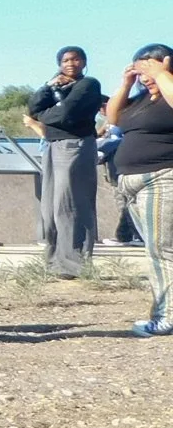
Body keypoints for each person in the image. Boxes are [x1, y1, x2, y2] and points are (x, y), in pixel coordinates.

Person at [102, 45, 173, 336]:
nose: (144, 75)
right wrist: (125, 84)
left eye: (149, 68)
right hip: (132, 182)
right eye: (139, 68)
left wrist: (162, 73)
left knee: (162, 251)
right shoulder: (142, 99)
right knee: (155, 249)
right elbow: (113, 118)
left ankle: (166, 316)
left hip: (162, 177)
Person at [29, 47, 104, 277]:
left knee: (70, 204)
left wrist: (48, 115)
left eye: (75, 59)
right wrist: (49, 87)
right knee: (50, 207)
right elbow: (33, 109)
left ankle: (74, 265)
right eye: (65, 60)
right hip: (52, 146)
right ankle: (54, 261)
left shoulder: (88, 84)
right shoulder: (57, 86)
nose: (70, 63)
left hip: (75, 144)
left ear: (84, 61)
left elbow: (66, 113)